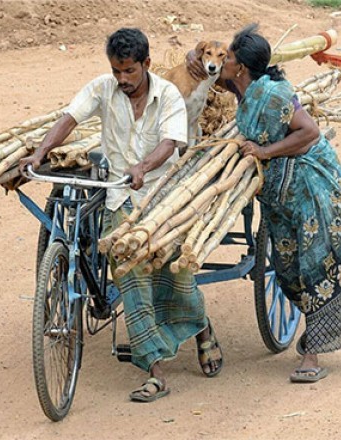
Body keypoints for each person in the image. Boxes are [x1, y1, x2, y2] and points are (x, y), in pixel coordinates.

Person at [20, 28, 223, 402]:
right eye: (117, 71)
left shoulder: (168, 96)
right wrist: (39, 152)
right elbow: (69, 119)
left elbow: (170, 142)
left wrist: (143, 166)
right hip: (118, 195)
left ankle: (201, 326)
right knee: (128, 268)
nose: (123, 79)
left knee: (174, 269)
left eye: (129, 71)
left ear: (146, 64)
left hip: (162, 194)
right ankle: (155, 370)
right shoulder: (102, 88)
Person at [188, 23, 341, 382]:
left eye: (229, 57)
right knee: (286, 267)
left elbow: (310, 132)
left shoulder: (274, 94)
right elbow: (208, 71)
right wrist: (191, 56)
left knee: (314, 265)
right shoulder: (240, 86)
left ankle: (311, 357)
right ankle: (316, 339)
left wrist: (265, 151)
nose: (223, 62)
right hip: (278, 192)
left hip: (308, 186)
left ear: (241, 66)